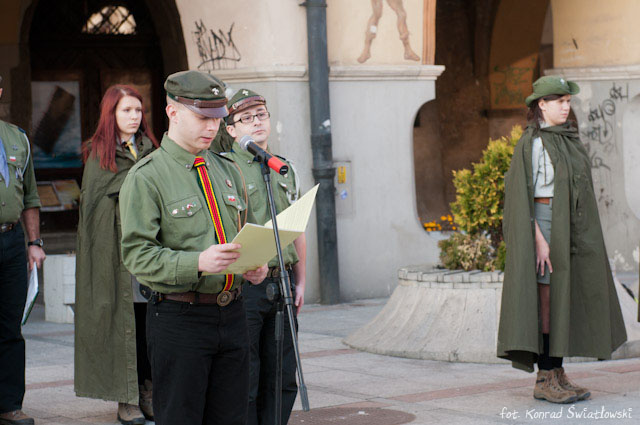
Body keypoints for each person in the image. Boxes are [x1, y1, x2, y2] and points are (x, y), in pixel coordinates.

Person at [119, 70, 268, 425]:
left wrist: (254, 265)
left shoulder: (227, 169)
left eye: (217, 118)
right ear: (172, 112)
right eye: (202, 117)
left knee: (232, 417)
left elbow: (242, 233)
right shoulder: (147, 176)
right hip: (179, 317)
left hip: (234, 313)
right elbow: (137, 255)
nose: (212, 126)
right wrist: (198, 262)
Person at [498, 75, 627, 404]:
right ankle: (544, 377)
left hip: (569, 226)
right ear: (541, 104)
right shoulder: (532, 143)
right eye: (559, 101)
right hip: (543, 223)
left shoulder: (567, 139)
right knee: (546, 302)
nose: (566, 107)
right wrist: (538, 239)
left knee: (563, 300)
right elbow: (522, 197)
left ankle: (557, 371)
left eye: (568, 101)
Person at [74, 85, 159, 425]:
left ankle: (148, 390)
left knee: (149, 321)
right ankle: (127, 398)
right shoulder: (98, 153)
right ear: (111, 114)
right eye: (126, 110)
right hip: (116, 253)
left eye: (138, 110)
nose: (134, 116)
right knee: (124, 323)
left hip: (151, 248)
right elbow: (93, 207)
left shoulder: (152, 149)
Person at [223, 89, 306, 425]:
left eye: (261, 115)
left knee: (283, 374)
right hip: (245, 285)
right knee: (247, 375)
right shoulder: (224, 168)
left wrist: (301, 281)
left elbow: (297, 228)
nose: (256, 122)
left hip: (282, 281)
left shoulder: (283, 167)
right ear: (231, 129)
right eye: (246, 118)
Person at [0, 76, 46, 425]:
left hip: (12, 241)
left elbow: (29, 195)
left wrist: (34, 242)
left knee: (10, 328)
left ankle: (9, 405)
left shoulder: (17, 138)